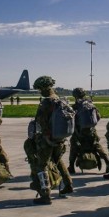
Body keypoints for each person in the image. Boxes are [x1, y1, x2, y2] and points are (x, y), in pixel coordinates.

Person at [31, 75, 74, 205]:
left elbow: (40, 122)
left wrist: (42, 137)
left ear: (43, 88)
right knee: (58, 161)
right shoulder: (61, 101)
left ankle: (45, 194)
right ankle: (69, 185)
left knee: (41, 165)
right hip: (60, 139)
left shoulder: (46, 103)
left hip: (47, 140)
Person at [68, 87, 109, 174]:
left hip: (79, 132)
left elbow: (71, 119)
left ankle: (71, 167)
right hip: (91, 132)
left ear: (74, 96)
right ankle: (108, 163)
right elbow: (98, 117)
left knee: (74, 147)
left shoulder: (75, 106)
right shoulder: (91, 105)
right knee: (97, 146)